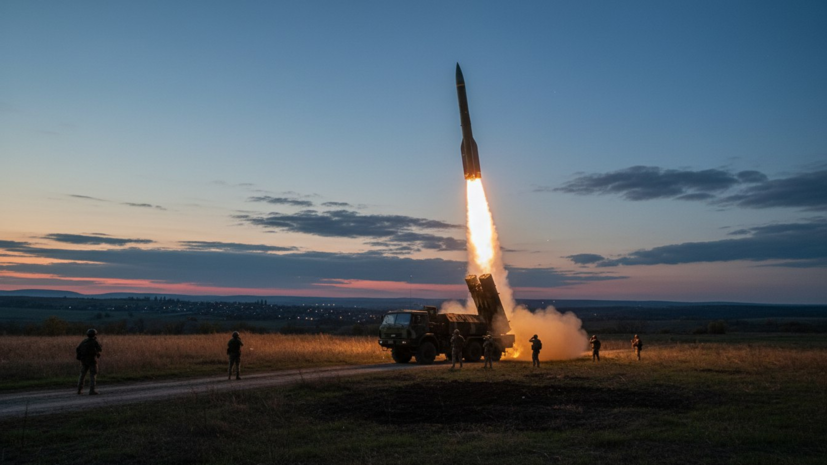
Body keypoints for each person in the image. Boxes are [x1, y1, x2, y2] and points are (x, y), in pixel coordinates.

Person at [76, 328, 102, 395]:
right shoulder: (94, 341)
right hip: (92, 360)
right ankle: (92, 390)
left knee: (82, 374)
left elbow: (77, 349)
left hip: (84, 360)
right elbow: (99, 349)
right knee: (93, 375)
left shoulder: (84, 341)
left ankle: (79, 390)